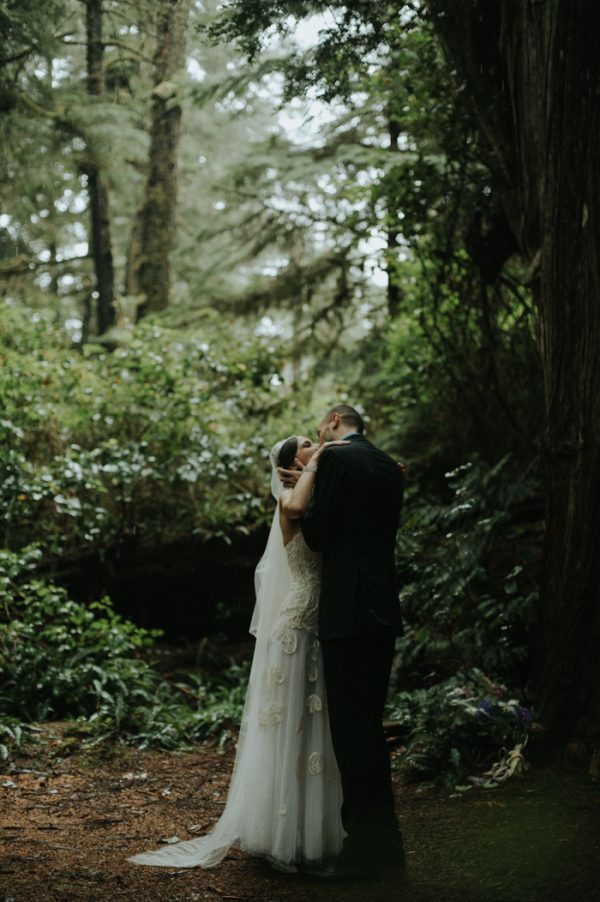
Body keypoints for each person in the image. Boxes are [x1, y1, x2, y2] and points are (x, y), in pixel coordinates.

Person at [127, 435, 346, 872]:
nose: (314, 443)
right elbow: (296, 510)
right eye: (306, 443)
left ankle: (316, 830)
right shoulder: (288, 497)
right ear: (290, 463)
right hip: (299, 625)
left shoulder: (319, 496)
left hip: (323, 624)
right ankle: (284, 835)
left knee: (316, 727)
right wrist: (319, 461)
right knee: (292, 728)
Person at [279, 404, 406, 880]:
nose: (317, 440)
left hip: (348, 611)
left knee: (354, 735)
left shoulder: (333, 459)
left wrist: (311, 485)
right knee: (369, 729)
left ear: (334, 421)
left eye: (319, 430)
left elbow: (317, 532)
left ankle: (368, 853)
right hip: (382, 609)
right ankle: (385, 845)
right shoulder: (388, 465)